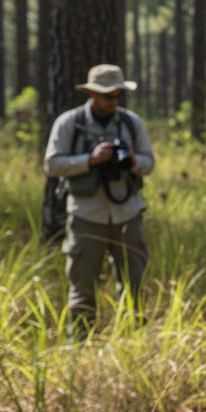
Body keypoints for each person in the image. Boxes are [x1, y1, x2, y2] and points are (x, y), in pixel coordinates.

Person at [44, 64, 155, 336]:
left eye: (117, 95)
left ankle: (135, 344)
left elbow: (149, 162)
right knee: (82, 289)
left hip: (128, 214)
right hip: (86, 216)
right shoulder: (70, 123)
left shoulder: (131, 122)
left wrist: (131, 160)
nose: (113, 101)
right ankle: (79, 348)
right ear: (92, 94)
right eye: (108, 96)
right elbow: (52, 165)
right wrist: (90, 160)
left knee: (134, 286)